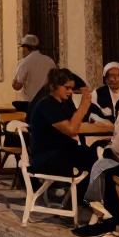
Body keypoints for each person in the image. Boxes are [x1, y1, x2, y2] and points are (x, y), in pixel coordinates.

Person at [29, 68, 101, 225]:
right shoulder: (47, 105)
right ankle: (74, 205)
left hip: (61, 151)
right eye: (67, 88)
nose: (70, 92)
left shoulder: (63, 103)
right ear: (54, 86)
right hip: (46, 157)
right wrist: (84, 105)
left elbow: (76, 122)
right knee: (92, 162)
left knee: (97, 157)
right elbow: (71, 130)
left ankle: (77, 204)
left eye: (72, 88)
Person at [12, 35, 56, 111]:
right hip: (48, 102)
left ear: (26, 47)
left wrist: (15, 77)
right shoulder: (49, 60)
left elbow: (17, 86)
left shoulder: (25, 62)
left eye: (23, 47)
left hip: (31, 103)